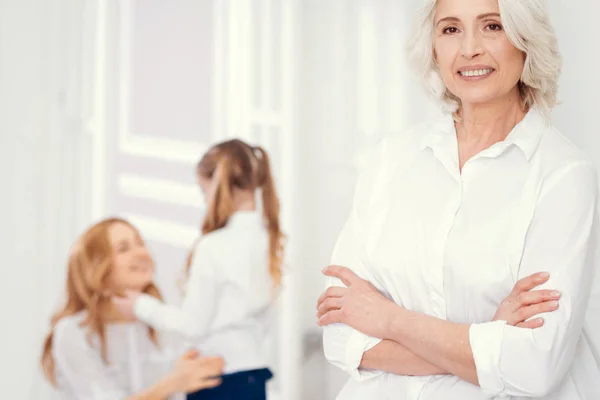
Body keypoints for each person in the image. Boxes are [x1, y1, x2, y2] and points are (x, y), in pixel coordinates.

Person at [316, 0, 600, 399]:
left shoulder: (563, 175)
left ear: (526, 41)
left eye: (492, 27)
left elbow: (535, 366)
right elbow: (341, 336)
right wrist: (484, 339)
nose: (469, 49)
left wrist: (389, 320)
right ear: (433, 48)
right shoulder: (391, 160)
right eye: (450, 29)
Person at [113, 139, 284, 400]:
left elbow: (192, 325)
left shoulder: (212, 246)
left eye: (204, 192)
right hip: (254, 378)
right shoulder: (270, 244)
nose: (205, 201)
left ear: (216, 186)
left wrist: (139, 305)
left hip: (217, 378)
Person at [41, 217, 224, 399]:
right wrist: (172, 384)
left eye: (141, 243)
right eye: (123, 248)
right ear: (96, 267)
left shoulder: (163, 327)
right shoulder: (74, 332)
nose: (142, 253)